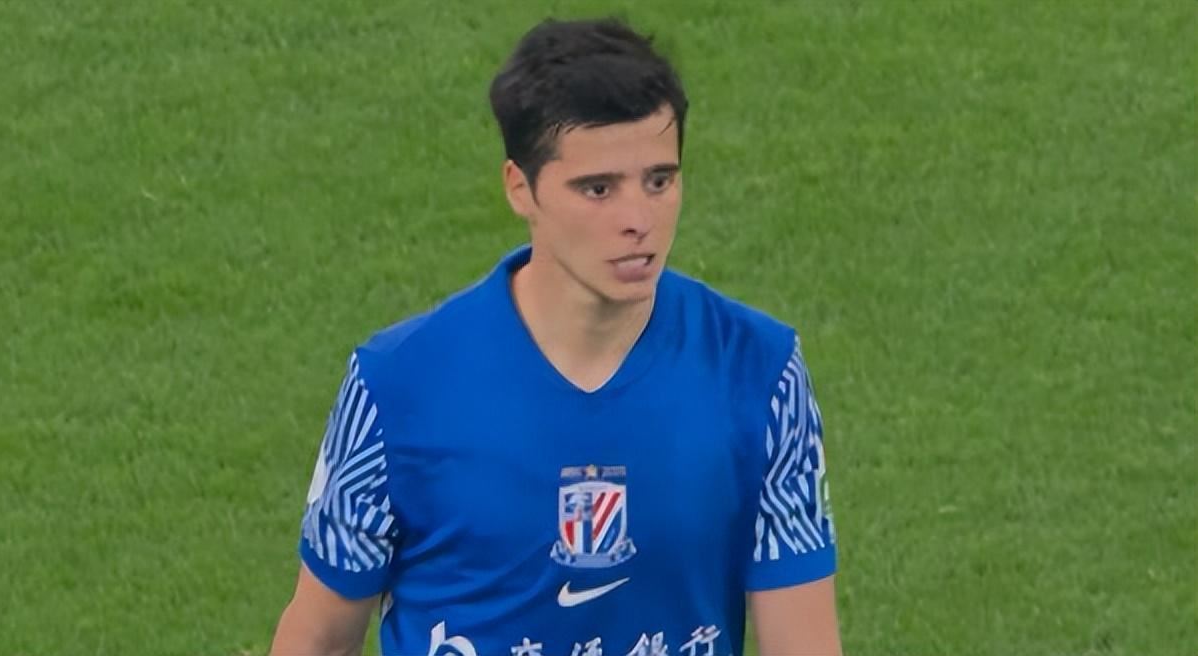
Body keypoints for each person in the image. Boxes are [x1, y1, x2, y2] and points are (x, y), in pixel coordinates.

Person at [270, 16, 841, 656]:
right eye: (598, 189)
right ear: (521, 189)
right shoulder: (397, 384)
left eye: (659, 180)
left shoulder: (760, 372)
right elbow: (319, 639)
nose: (638, 219)